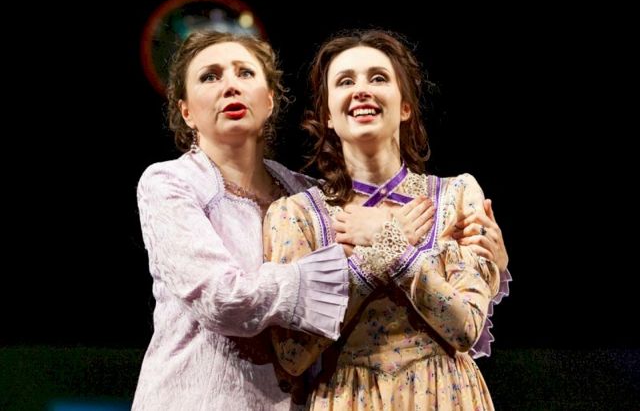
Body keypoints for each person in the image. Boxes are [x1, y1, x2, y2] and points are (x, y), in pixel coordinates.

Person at [263, 29, 511, 409]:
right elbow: (292, 354)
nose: (362, 90)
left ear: (405, 106)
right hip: (350, 399)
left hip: (446, 395)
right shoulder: (296, 215)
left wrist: (391, 246)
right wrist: (378, 254)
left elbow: (465, 328)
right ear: (327, 115)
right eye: (345, 82)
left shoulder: (456, 195)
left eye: (378, 78)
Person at [132, 30, 359, 410]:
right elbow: (221, 299)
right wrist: (327, 272)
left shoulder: (310, 195)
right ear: (186, 112)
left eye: (245, 73)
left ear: (269, 101)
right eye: (210, 76)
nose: (230, 86)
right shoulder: (169, 182)